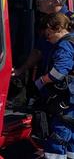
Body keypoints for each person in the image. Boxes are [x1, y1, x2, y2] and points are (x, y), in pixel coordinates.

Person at [34, 13, 74, 158]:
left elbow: (59, 71)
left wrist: (42, 81)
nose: (48, 39)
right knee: (71, 130)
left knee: (59, 130)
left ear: (57, 28)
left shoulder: (64, 45)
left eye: (49, 35)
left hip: (67, 99)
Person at [15, 0, 70, 77]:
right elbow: (38, 51)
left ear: (56, 1)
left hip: (63, 81)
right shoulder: (47, 20)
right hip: (45, 78)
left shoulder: (70, 22)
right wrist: (20, 70)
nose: (37, 0)